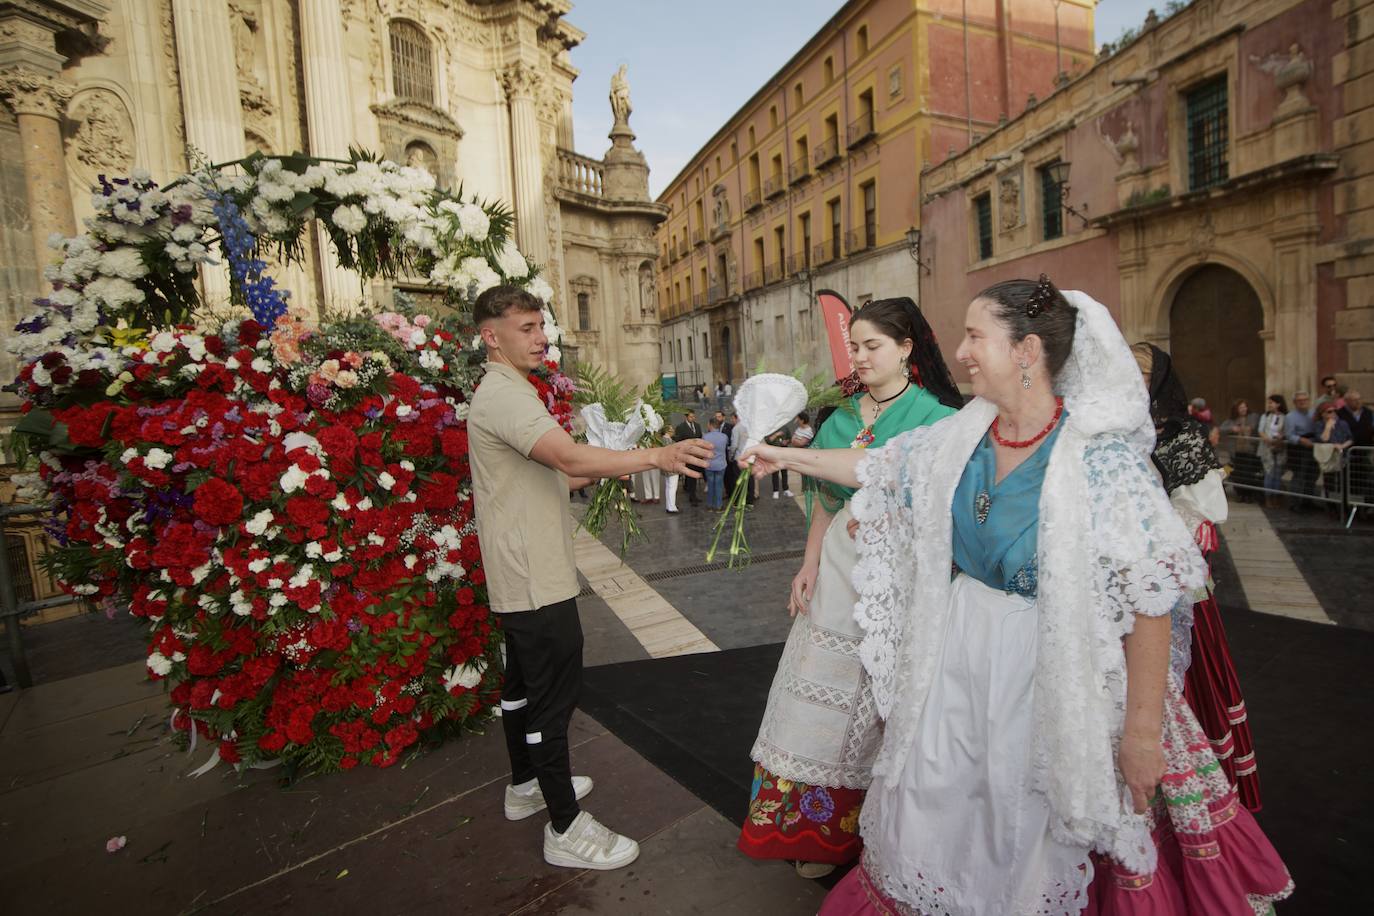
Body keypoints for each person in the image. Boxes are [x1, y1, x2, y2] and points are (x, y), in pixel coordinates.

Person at [742, 277, 1291, 913]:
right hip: (958, 656)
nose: (963, 351)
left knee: (1030, 829)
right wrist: (786, 458)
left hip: (1051, 665)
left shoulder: (1099, 456)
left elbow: (1149, 595)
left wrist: (1142, 730)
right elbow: (877, 467)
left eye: (977, 336)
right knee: (943, 805)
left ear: (1027, 350)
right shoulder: (963, 437)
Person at [468, 285, 712, 870]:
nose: (540, 337)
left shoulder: (507, 391)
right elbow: (571, 460)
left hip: (524, 568)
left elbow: (561, 476)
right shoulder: (506, 394)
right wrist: (653, 457)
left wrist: (614, 456)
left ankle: (526, 785)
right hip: (534, 575)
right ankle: (565, 827)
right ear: (490, 335)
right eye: (526, 327)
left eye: (540, 325)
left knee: (524, 688)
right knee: (552, 700)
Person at [737, 297, 963, 879]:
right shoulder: (839, 418)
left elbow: (935, 507)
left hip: (898, 578)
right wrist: (808, 564)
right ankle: (815, 830)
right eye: (854, 346)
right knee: (820, 697)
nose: (859, 357)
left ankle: (881, 829)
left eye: (872, 346)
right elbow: (826, 503)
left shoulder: (936, 417)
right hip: (839, 568)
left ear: (908, 348)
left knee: (885, 699)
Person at [1131, 342, 1262, 811]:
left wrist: (1149, 536)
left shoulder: (1180, 433)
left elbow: (1202, 511)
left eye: (1140, 372)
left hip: (1169, 579)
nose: (1131, 378)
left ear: (1158, 379)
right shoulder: (1115, 427)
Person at [1219, 399, 1261, 500]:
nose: (1243, 409)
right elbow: (1221, 429)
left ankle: (1248, 494)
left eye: (1245, 407)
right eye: (1241, 407)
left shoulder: (1253, 417)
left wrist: (1245, 428)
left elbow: (1254, 426)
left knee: (1248, 473)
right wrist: (1232, 429)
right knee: (1235, 472)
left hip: (1249, 451)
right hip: (1236, 452)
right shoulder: (1231, 421)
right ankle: (1240, 493)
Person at [1315, 400, 1353, 503]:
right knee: (1329, 483)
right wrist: (1328, 427)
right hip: (1329, 458)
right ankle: (1331, 506)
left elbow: (1350, 438)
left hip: (1343, 456)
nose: (1332, 414)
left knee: (1344, 482)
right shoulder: (1319, 424)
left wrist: (1342, 446)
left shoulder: (1343, 423)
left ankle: (1344, 505)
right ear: (1322, 414)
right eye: (1329, 412)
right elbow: (1323, 439)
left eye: (1334, 411)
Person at [1338, 390, 1372, 504]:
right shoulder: (1339, 414)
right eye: (1354, 400)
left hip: (1364, 451)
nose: (1358, 402)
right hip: (1347, 452)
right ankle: (1347, 505)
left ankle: (1362, 506)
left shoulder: (1368, 412)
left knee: (1364, 479)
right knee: (1347, 481)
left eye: (1359, 399)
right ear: (1346, 401)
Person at [1286, 391, 1318, 509]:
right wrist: (1301, 440)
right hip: (1299, 449)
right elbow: (1289, 435)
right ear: (1295, 403)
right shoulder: (1290, 417)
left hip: (1314, 447)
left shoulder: (1314, 413)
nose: (1303, 402)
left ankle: (1308, 501)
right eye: (1300, 401)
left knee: (1313, 475)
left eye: (1305, 400)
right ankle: (1295, 503)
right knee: (1299, 476)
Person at [1257, 394, 1289, 508]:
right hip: (1267, 448)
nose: (1269, 405)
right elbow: (1260, 430)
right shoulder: (1265, 416)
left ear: (1278, 404)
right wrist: (1268, 439)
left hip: (1279, 448)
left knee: (1277, 474)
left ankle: (1276, 497)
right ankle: (1268, 498)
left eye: (1271, 402)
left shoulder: (1285, 417)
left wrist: (1280, 438)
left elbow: (1286, 430)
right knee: (1268, 473)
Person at [673, 410, 703, 507]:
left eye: (694, 417)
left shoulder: (697, 426)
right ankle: (692, 496)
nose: (693, 418)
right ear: (686, 417)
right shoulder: (681, 427)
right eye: (691, 417)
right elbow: (677, 440)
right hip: (686, 454)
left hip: (696, 454)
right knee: (690, 476)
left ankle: (692, 494)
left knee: (693, 476)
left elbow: (700, 438)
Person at [703, 418, 729, 510]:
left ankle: (710, 505)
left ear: (710, 425)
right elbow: (726, 447)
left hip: (709, 464)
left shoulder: (705, 437)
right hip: (721, 464)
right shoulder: (724, 436)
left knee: (710, 485)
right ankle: (718, 505)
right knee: (719, 485)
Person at [765, 424, 794, 498]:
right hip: (774, 452)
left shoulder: (785, 427)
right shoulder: (770, 427)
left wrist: (786, 441)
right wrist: (776, 434)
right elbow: (768, 440)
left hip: (784, 451)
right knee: (775, 472)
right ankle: (775, 491)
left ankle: (786, 490)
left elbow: (790, 439)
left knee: (784, 472)